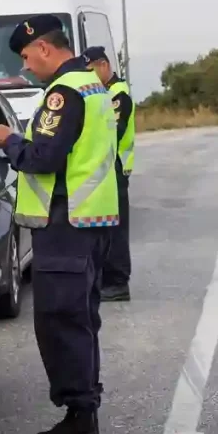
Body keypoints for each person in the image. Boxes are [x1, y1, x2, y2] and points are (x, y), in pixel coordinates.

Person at [0, 14, 119, 434]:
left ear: (43, 48)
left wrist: (9, 140)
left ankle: (80, 424)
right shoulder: (92, 85)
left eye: (26, 57)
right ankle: (84, 416)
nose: (26, 67)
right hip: (89, 223)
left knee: (61, 325)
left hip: (66, 226)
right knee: (81, 322)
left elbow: (44, 156)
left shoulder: (63, 93)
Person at [82, 45, 134, 302]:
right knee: (106, 226)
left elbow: (113, 130)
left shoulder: (117, 94)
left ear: (103, 65)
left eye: (91, 70)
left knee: (116, 230)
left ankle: (117, 283)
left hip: (115, 169)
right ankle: (107, 279)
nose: (89, 77)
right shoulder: (104, 92)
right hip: (106, 170)